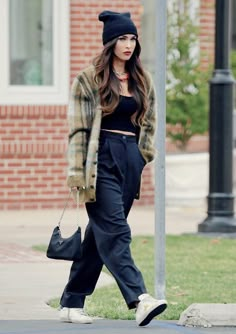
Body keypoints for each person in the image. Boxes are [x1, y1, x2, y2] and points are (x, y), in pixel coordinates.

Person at [59, 10, 167, 327]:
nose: (129, 44)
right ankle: (140, 299)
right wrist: (77, 172)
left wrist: (142, 156)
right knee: (116, 230)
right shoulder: (89, 79)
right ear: (110, 42)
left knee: (101, 234)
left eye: (132, 38)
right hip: (99, 157)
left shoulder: (142, 79)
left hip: (130, 159)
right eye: (122, 38)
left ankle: (71, 302)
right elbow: (78, 130)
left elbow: (149, 124)